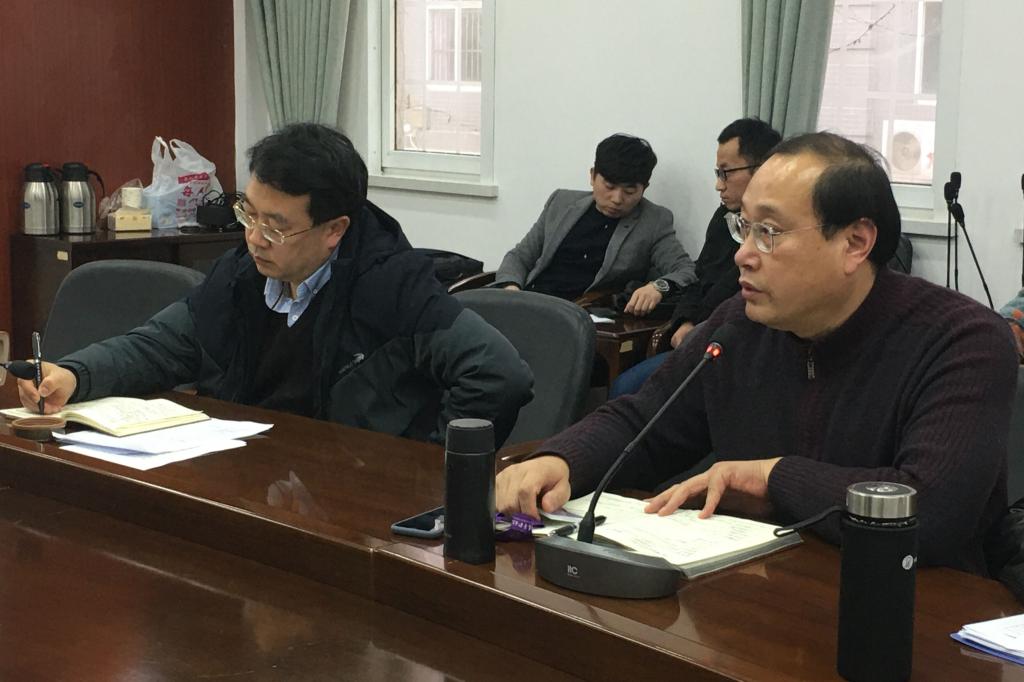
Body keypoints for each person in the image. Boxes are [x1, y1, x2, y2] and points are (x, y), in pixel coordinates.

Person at [496, 132, 1018, 574]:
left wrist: (773, 478)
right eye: (743, 226)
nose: (743, 255)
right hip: (759, 593)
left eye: (768, 232)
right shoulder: (739, 326)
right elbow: (644, 422)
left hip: (909, 611)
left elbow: (931, 510)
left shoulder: (960, 340)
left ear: (855, 243)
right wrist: (563, 459)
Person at [20, 123, 533, 446]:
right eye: (249, 213)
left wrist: (425, 461)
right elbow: (162, 345)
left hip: (349, 500)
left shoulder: (393, 289)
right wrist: (75, 374)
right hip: (251, 474)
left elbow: (499, 375)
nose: (255, 238)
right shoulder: (242, 273)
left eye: (277, 226)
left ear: (334, 230)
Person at [610, 118, 781, 396]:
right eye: (717, 173)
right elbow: (700, 276)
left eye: (726, 173)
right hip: (697, 336)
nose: (718, 185)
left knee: (630, 388)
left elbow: (736, 292)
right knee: (627, 387)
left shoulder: (776, 230)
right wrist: (685, 320)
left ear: (762, 170)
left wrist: (700, 329)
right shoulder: (724, 217)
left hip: (735, 345)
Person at [494, 133, 696, 316]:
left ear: (645, 188)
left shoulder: (654, 221)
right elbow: (519, 257)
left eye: (629, 191)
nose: (617, 199)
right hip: (528, 302)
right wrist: (511, 290)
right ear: (592, 176)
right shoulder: (561, 202)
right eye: (609, 186)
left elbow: (686, 270)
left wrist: (658, 287)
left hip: (575, 317)